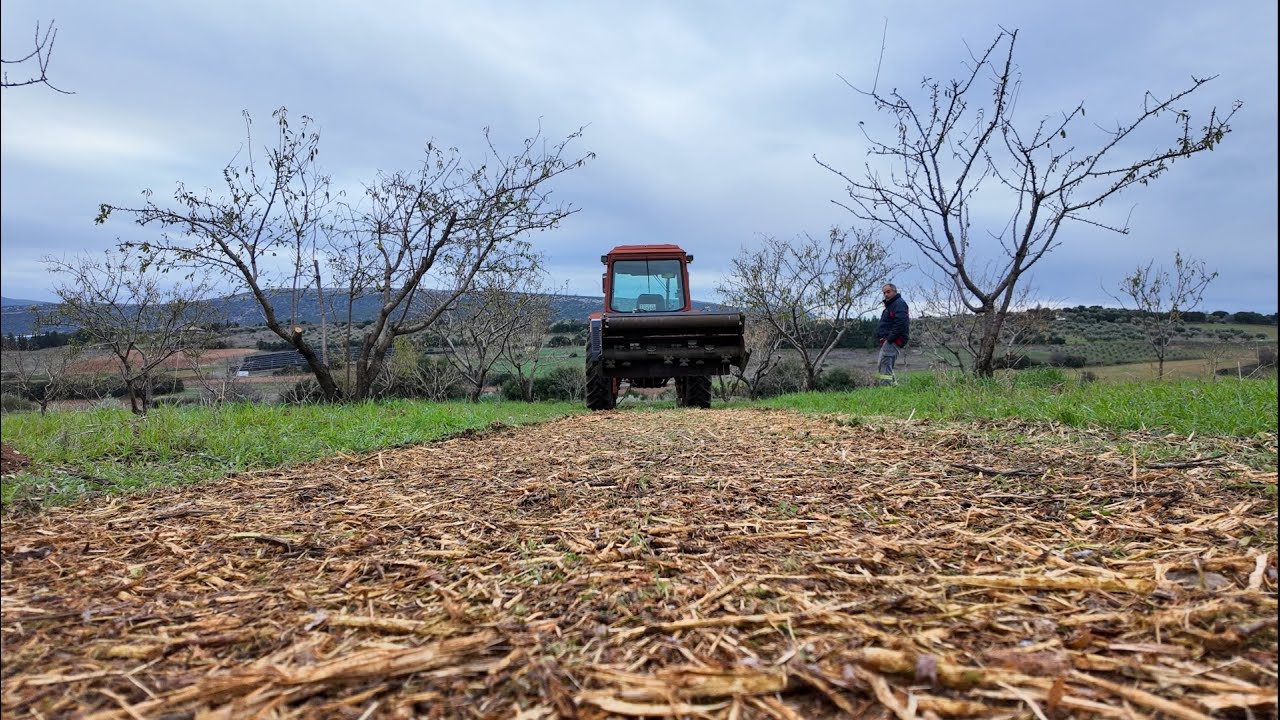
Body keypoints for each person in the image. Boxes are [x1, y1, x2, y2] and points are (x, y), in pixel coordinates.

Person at [875, 283, 909, 385]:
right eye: (884, 292)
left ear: (894, 291)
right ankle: (894, 386)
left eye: (888, 292)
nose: (886, 294)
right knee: (884, 364)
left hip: (894, 340)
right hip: (889, 339)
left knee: (884, 364)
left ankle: (886, 388)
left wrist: (889, 339)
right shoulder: (891, 306)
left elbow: (900, 323)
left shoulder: (899, 304)